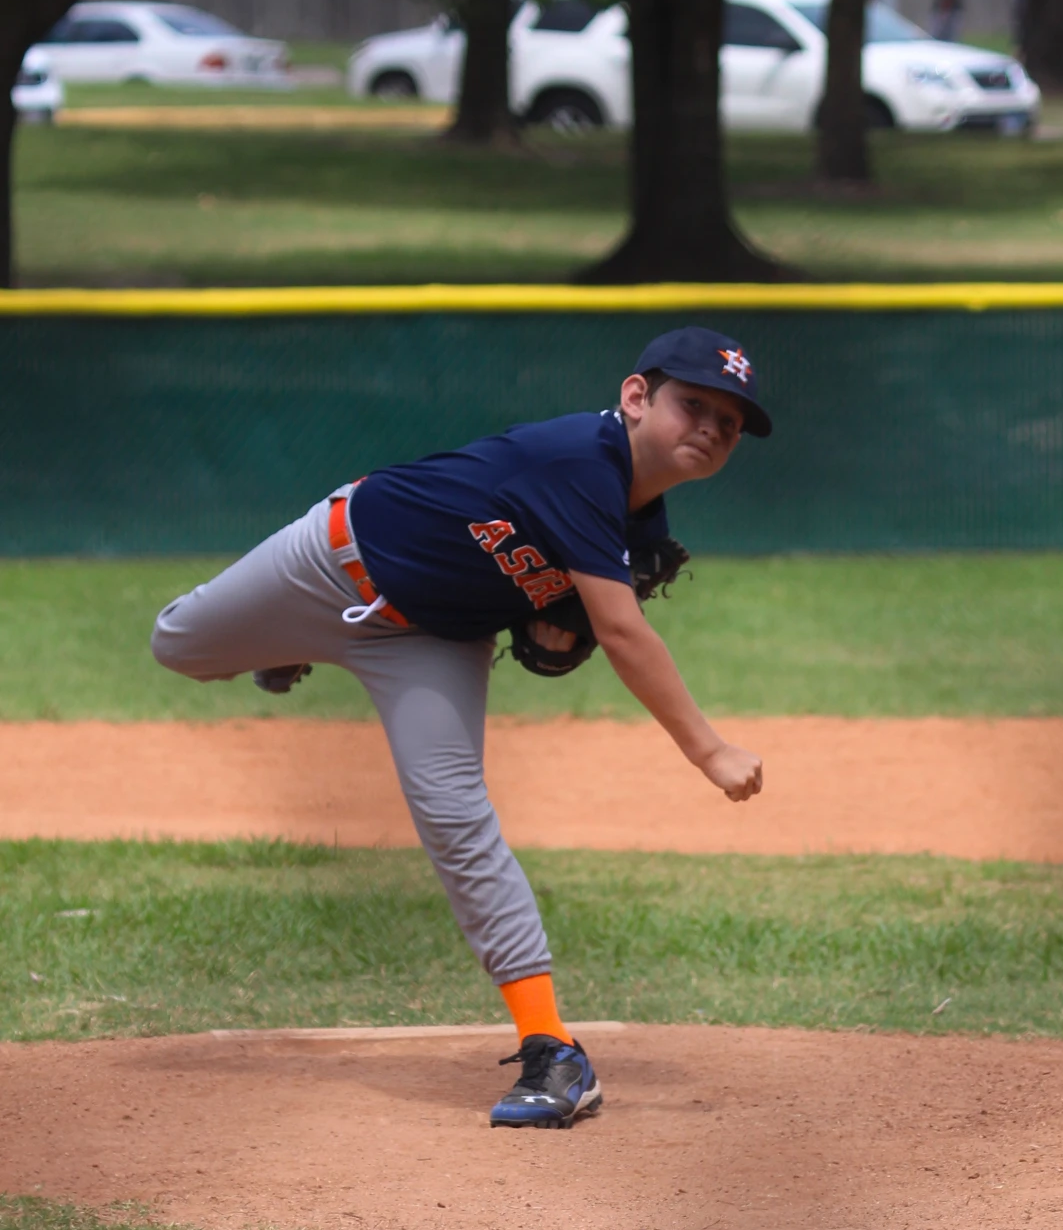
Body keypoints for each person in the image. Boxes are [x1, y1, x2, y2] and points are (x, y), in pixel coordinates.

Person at [151, 326, 770, 1130]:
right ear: (636, 396)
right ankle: (286, 642)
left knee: (454, 814)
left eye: (730, 423)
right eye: (695, 405)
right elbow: (621, 634)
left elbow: (562, 640)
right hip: (331, 561)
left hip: (432, 641)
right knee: (177, 644)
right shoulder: (582, 460)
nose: (711, 429)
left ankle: (552, 1051)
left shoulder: (640, 533)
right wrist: (710, 748)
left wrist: (550, 639)